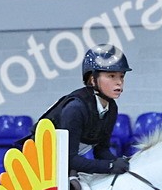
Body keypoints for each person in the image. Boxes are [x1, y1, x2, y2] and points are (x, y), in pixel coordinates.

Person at [32, 44, 132, 178]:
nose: (119, 82)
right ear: (92, 80)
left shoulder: (111, 108)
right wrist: (109, 166)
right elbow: (70, 158)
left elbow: (101, 151)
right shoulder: (75, 109)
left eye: (121, 76)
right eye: (111, 76)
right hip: (36, 169)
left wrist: (122, 163)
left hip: (62, 165)